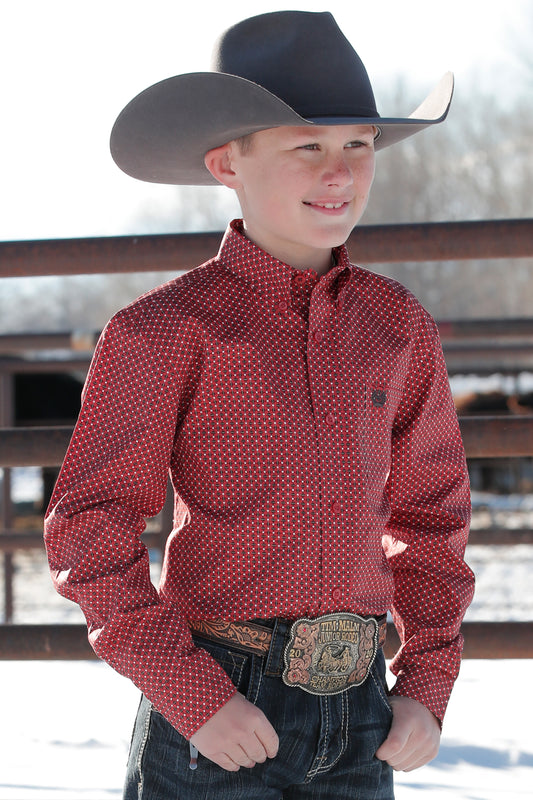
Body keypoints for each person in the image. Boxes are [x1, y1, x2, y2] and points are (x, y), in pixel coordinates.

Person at [44, 10, 475, 800]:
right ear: (225, 163)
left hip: (362, 711)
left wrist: (427, 679)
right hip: (216, 703)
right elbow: (89, 527)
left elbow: (430, 520)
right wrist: (192, 696)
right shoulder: (163, 331)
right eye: (305, 145)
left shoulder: (397, 325)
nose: (338, 171)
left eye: (357, 145)